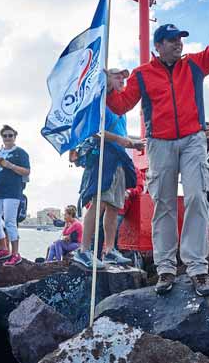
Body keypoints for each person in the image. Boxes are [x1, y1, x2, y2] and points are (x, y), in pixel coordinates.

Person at [106, 0, 209, 296]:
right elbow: (121, 105)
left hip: (192, 140)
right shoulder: (141, 75)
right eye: (172, 40)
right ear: (158, 46)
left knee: (195, 197)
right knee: (163, 203)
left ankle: (197, 268)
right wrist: (108, 87)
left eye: (180, 39)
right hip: (159, 144)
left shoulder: (194, 65)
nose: (179, 43)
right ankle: (164, 269)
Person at [74, 68, 143, 268]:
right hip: (105, 158)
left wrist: (131, 142)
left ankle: (109, 250)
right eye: (117, 76)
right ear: (106, 79)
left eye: (123, 77)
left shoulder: (120, 107)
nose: (122, 79)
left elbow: (119, 134)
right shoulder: (100, 102)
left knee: (113, 206)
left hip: (119, 158)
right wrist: (125, 141)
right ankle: (84, 250)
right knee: (99, 204)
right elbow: (94, 132)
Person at [0, 124, 31, 266]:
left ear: (15, 136)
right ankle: (3, 249)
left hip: (13, 191)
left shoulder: (21, 153)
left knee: (10, 222)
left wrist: (10, 165)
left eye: (10, 135)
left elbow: (26, 171)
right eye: (5, 135)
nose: (7, 138)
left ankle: (15, 253)